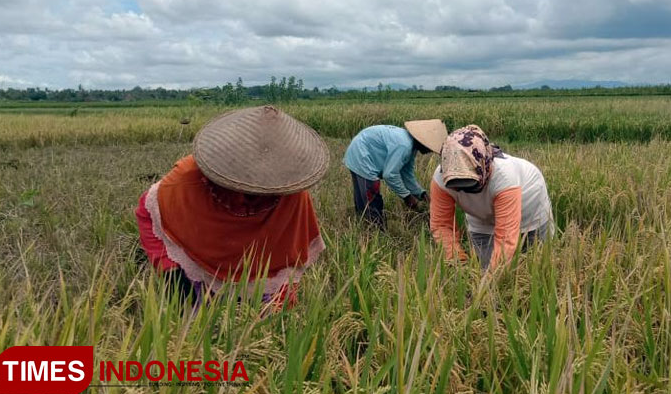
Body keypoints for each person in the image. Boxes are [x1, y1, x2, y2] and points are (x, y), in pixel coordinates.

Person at [135, 106, 329, 311]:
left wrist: (279, 310)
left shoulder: (291, 191)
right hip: (202, 270)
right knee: (198, 324)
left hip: (262, 274)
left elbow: (290, 253)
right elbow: (149, 211)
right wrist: (170, 271)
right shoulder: (187, 182)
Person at [429, 125, 552, 271]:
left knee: (536, 264)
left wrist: (492, 281)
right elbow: (442, 225)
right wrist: (457, 261)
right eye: (458, 188)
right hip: (481, 218)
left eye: (470, 186)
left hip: (529, 208)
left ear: (484, 165)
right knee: (484, 267)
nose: (465, 193)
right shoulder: (441, 179)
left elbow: (506, 237)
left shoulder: (505, 178)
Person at [344, 120, 447, 227]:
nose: (430, 151)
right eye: (429, 147)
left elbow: (407, 174)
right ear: (422, 141)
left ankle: (363, 227)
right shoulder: (404, 145)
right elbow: (390, 174)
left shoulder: (411, 146)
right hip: (362, 156)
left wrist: (421, 194)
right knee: (371, 198)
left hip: (358, 150)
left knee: (363, 197)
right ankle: (376, 232)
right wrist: (407, 197)